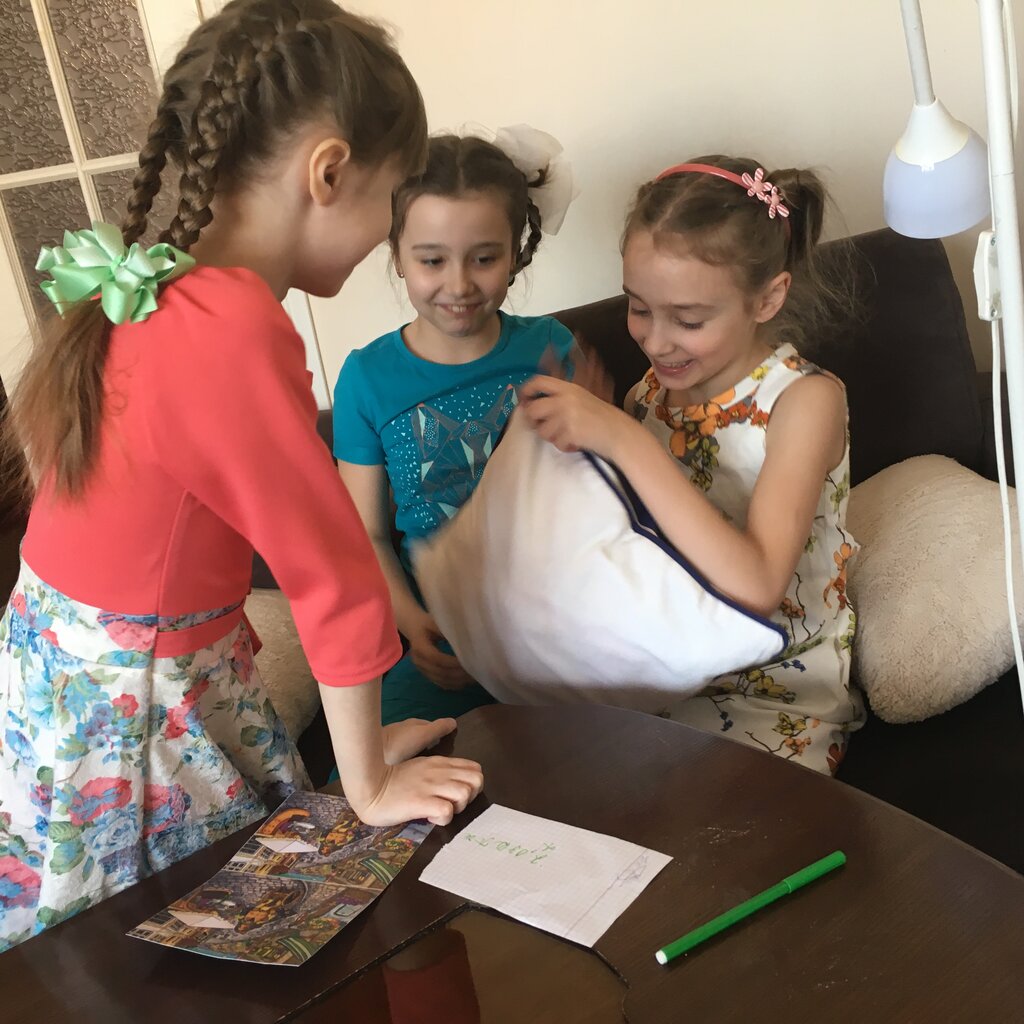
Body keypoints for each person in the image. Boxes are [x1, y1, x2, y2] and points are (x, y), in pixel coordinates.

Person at [0, 0, 482, 950]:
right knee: (172, 951)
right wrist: (370, 784)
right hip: (135, 710)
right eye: (392, 200)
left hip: (66, 673)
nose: (386, 238)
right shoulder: (233, 327)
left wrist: (357, 751)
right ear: (329, 172)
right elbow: (331, 574)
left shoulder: (158, 281)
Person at [520, 157, 864, 774]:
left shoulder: (804, 402)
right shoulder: (652, 393)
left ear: (768, 298)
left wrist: (625, 441)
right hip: (662, 669)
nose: (655, 341)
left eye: (689, 320)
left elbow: (757, 586)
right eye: (638, 308)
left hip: (773, 692)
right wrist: (592, 445)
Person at [334, 128, 576, 726]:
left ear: (516, 253)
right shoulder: (366, 377)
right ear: (397, 255)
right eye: (432, 260)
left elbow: (594, 497)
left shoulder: (551, 347)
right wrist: (413, 625)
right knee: (374, 776)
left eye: (484, 258)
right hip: (441, 645)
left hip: (557, 631)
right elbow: (365, 535)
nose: (460, 284)